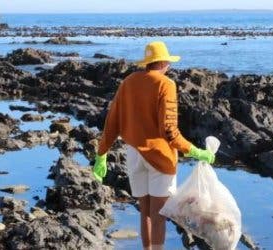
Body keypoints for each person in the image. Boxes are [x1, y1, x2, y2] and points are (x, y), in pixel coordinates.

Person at [92, 41, 215, 250]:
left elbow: (112, 121)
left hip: (134, 154)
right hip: (160, 158)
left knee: (145, 213)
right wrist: (196, 152)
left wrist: (101, 154)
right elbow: (170, 132)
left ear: (148, 62)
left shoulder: (128, 82)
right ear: (164, 62)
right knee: (158, 216)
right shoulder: (166, 85)